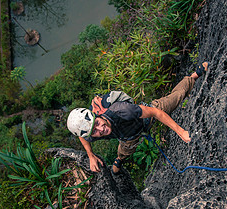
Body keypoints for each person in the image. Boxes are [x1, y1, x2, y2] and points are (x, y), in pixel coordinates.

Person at [67, 62, 209, 174]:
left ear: (97, 115)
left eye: (98, 123)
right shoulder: (89, 130)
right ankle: (119, 160)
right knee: (124, 152)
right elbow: (83, 137)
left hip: (146, 118)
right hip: (128, 137)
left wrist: (181, 132)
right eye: (95, 131)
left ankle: (194, 75)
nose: (101, 129)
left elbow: (155, 113)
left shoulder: (121, 110)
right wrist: (91, 155)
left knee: (176, 97)